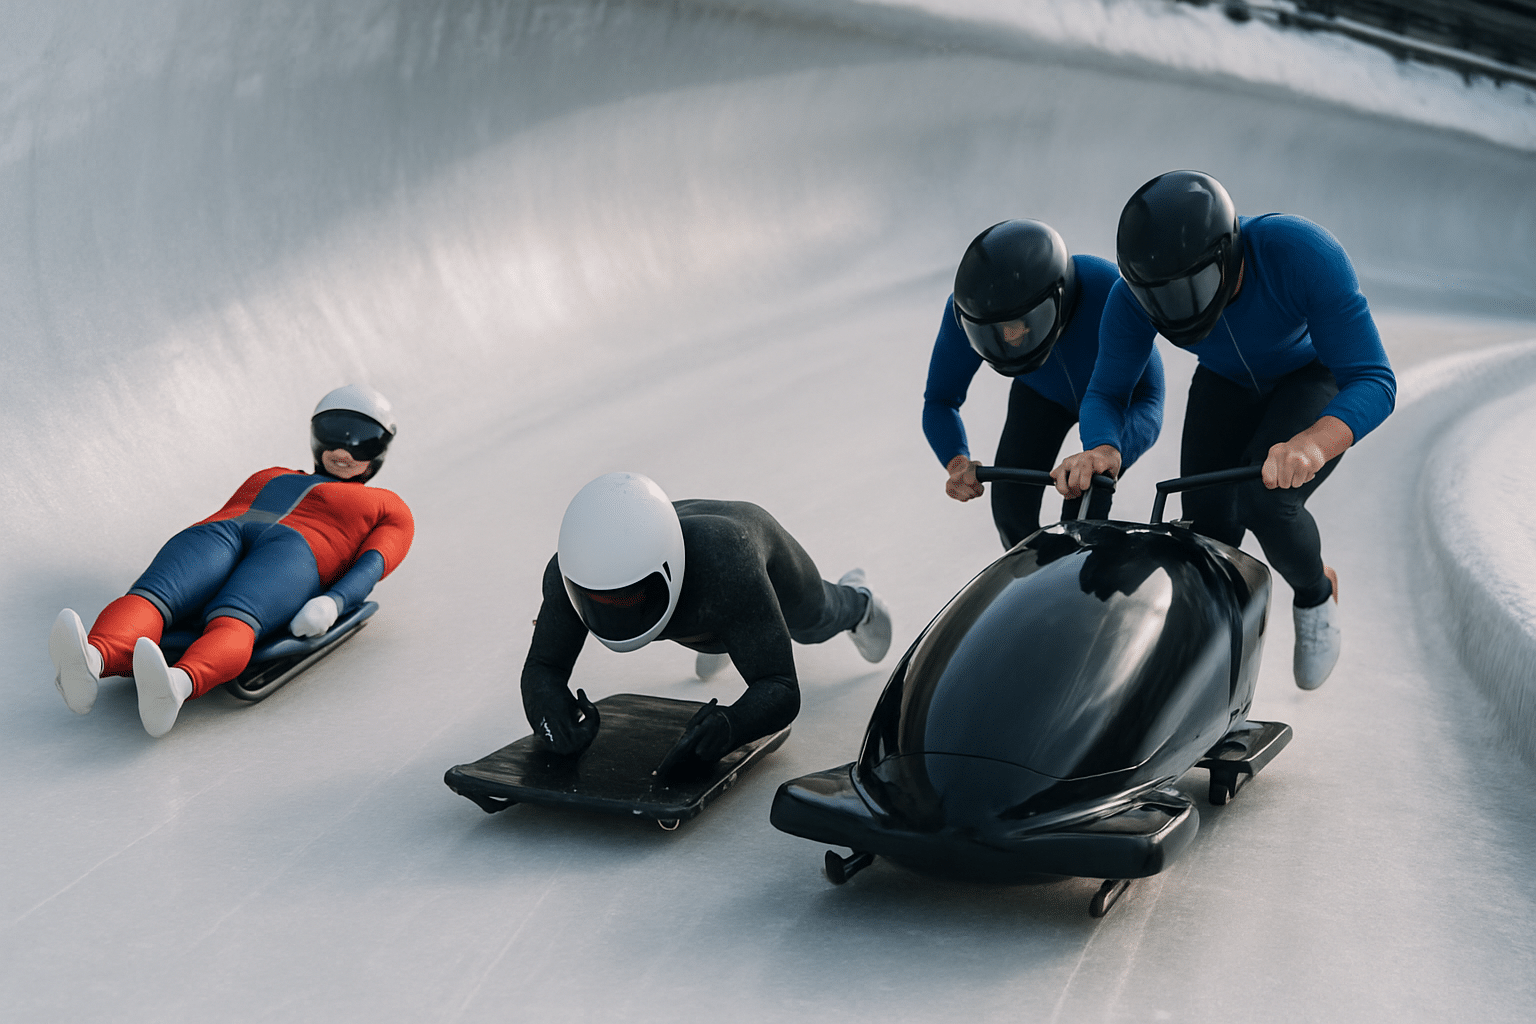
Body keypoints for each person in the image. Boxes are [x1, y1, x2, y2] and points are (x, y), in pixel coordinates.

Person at [1053, 170, 1396, 690]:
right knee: (1209, 533)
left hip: (1309, 376)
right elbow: (1105, 393)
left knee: (1265, 498)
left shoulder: (1302, 251)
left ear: (1231, 254)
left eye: (1194, 288)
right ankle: (1209, 680)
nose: (1180, 309)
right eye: (1160, 299)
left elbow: (1373, 377)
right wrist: (1101, 446)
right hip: (1225, 382)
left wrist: (1314, 441)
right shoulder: (1131, 299)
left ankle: (1315, 592)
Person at [48, 384, 414, 737]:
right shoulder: (270, 475)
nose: (344, 450)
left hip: (297, 552)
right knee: (158, 592)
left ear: (377, 451)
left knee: (237, 613)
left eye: (360, 441)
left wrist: (333, 603)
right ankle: (94, 658)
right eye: (334, 433)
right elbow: (228, 510)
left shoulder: (388, 506)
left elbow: (374, 562)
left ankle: (178, 685)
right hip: (225, 530)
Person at [520, 471, 892, 775]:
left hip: (748, 549)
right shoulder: (569, 572)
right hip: (716, 602)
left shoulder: (727, 562)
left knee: (815, 619)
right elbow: (542, 668)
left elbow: (780, 686)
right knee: (739, 623)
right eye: (599, 601)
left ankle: (860, 603)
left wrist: (731, 727)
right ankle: (739, 636)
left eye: (630, 599)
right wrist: (551, 715)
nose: (618, 613)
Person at [923, 219, 1165, 548]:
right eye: (993, 333)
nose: (1009, 338)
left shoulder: (1105, 287)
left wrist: (1102, 450)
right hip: (1041, 395)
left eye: (1022, 324)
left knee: (1084, 493)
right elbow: (939, 401)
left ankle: (1089, 578)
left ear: (1060, 300)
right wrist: (956, 462)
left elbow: (1149, 399)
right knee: (1010, 511)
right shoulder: (963, 314)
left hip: (1125, 395)